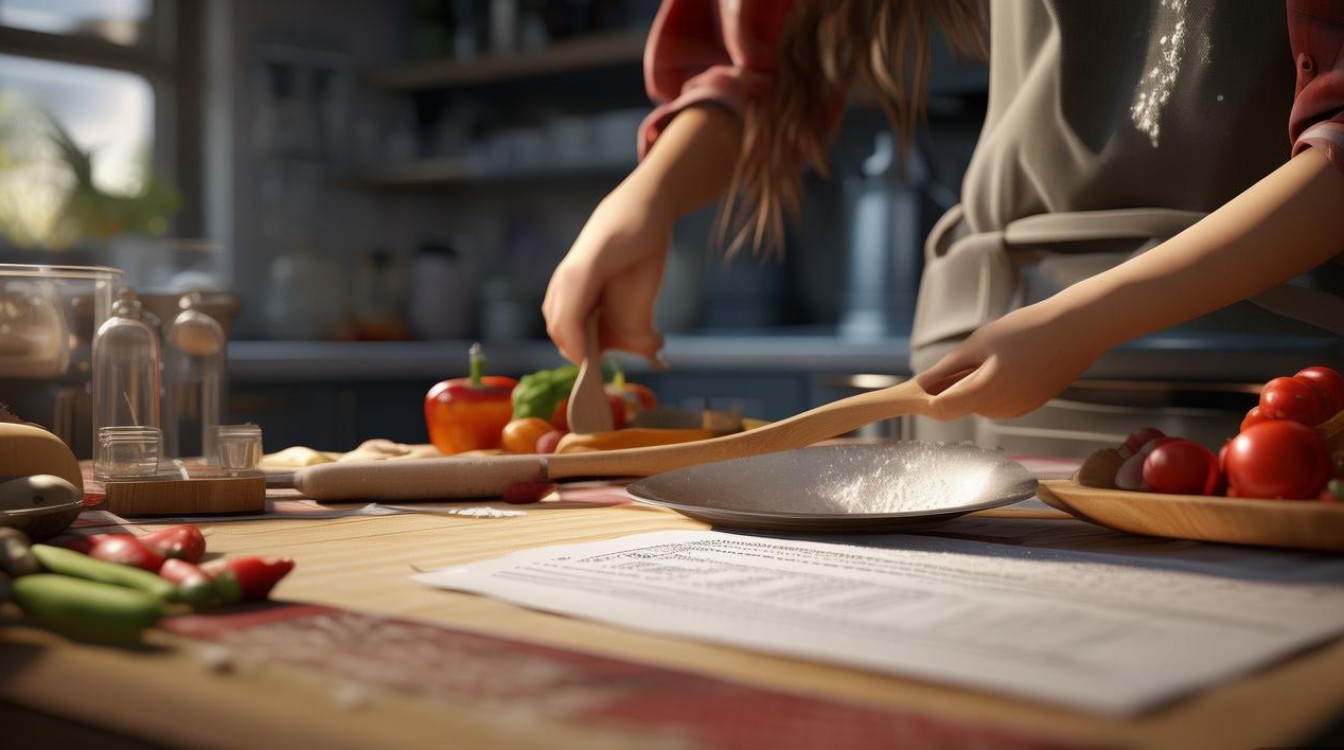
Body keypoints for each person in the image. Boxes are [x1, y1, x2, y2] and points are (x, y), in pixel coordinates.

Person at [542, 0, 1344, 427]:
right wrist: (645, 199)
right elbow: (764, 55)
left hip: (1274, 394)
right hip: (988, 378)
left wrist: (1088, 319)